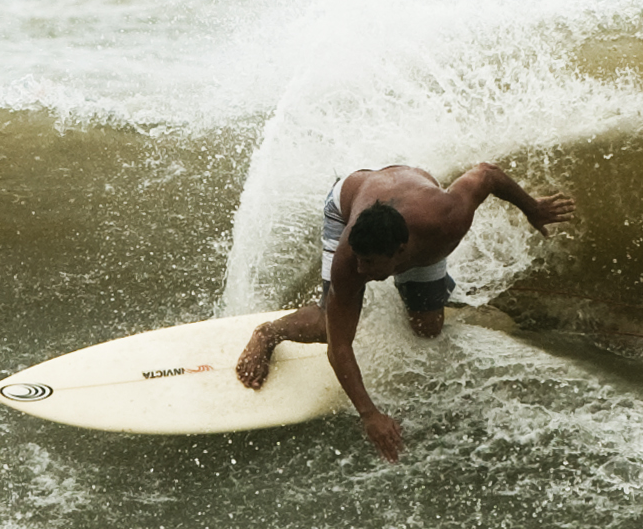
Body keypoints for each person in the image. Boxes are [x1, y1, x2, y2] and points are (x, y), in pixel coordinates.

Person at [235, 163, 575, 461]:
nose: (361, 268)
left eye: (370, 264)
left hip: (414, 201)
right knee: (329, 324)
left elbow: (487, 174)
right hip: (349, 202)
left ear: (400, 253)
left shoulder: (445, 221)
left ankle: (426, 286)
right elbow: (339, 348)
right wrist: (370, 414)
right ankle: (269, 333)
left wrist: (532, 208)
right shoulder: (349, 259)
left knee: (427, 327)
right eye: (359, 259)